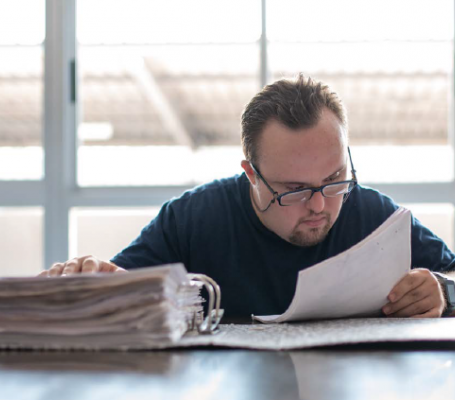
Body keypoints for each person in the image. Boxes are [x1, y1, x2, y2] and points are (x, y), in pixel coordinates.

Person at [40, 74, 455, 319]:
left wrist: (442, 290)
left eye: (333, 179)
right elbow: (120, 288)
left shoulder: (375, 216)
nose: (318, 205)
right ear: (251, 175)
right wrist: (89, 281)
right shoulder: (191, 221)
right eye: (293, 190)